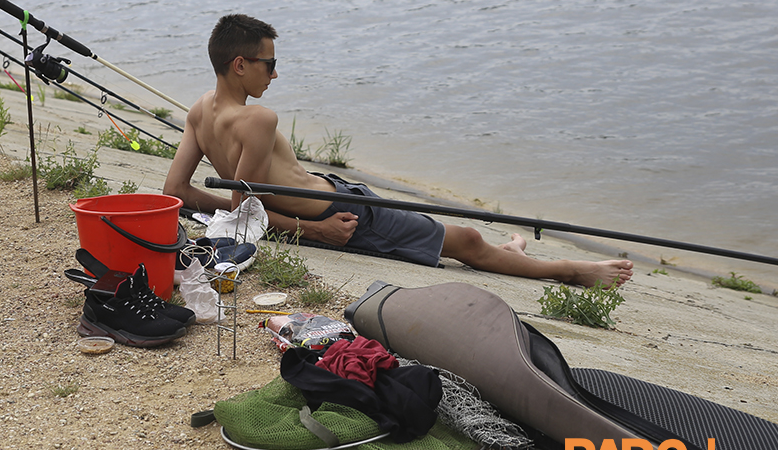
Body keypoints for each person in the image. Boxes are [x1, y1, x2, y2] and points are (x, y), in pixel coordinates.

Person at [163, 14, 634, 288]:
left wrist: (237, 205)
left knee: (456, 239)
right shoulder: (257, 119)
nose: (275, 74)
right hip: (346, 217)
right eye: (270, 63)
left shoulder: (200, 112)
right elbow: (248, 212)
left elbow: (178, 190)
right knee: (466, 241)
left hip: (340, 203)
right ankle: (570, 271)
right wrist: (315, 229)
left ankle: (512, 250)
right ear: (240, 63)